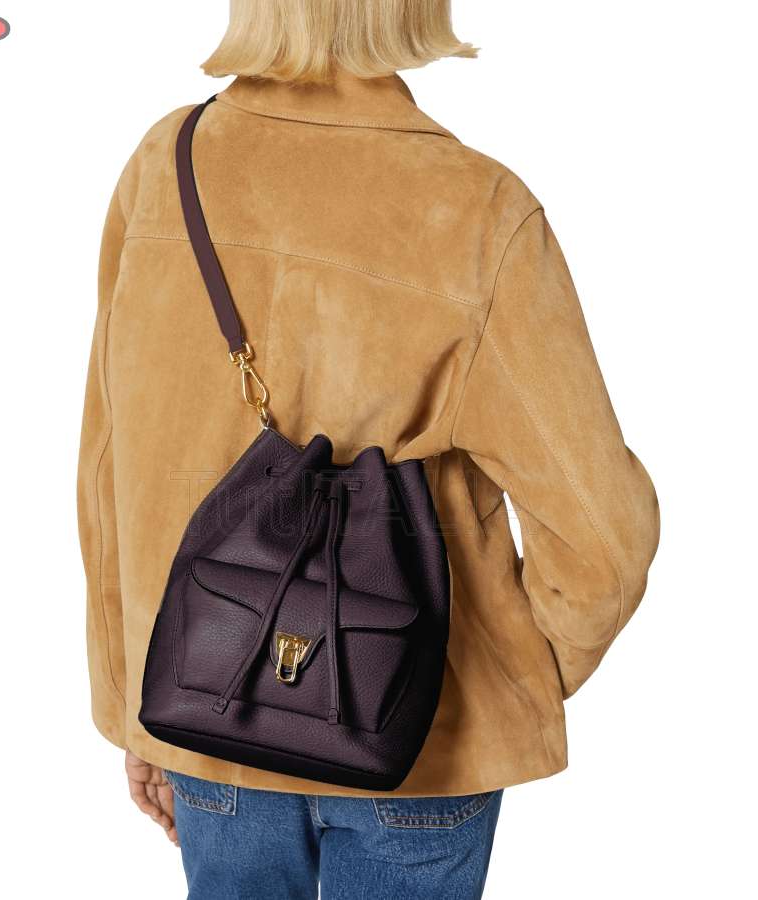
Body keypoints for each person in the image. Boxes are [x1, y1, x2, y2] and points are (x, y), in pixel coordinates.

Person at [77, 1, 660, 896]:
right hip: (417, 735)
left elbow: (110, 467)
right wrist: (513, 677)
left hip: (209, 710)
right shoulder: (477, 210)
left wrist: (132, 706)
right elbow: (604, 537)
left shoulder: (167, 165)